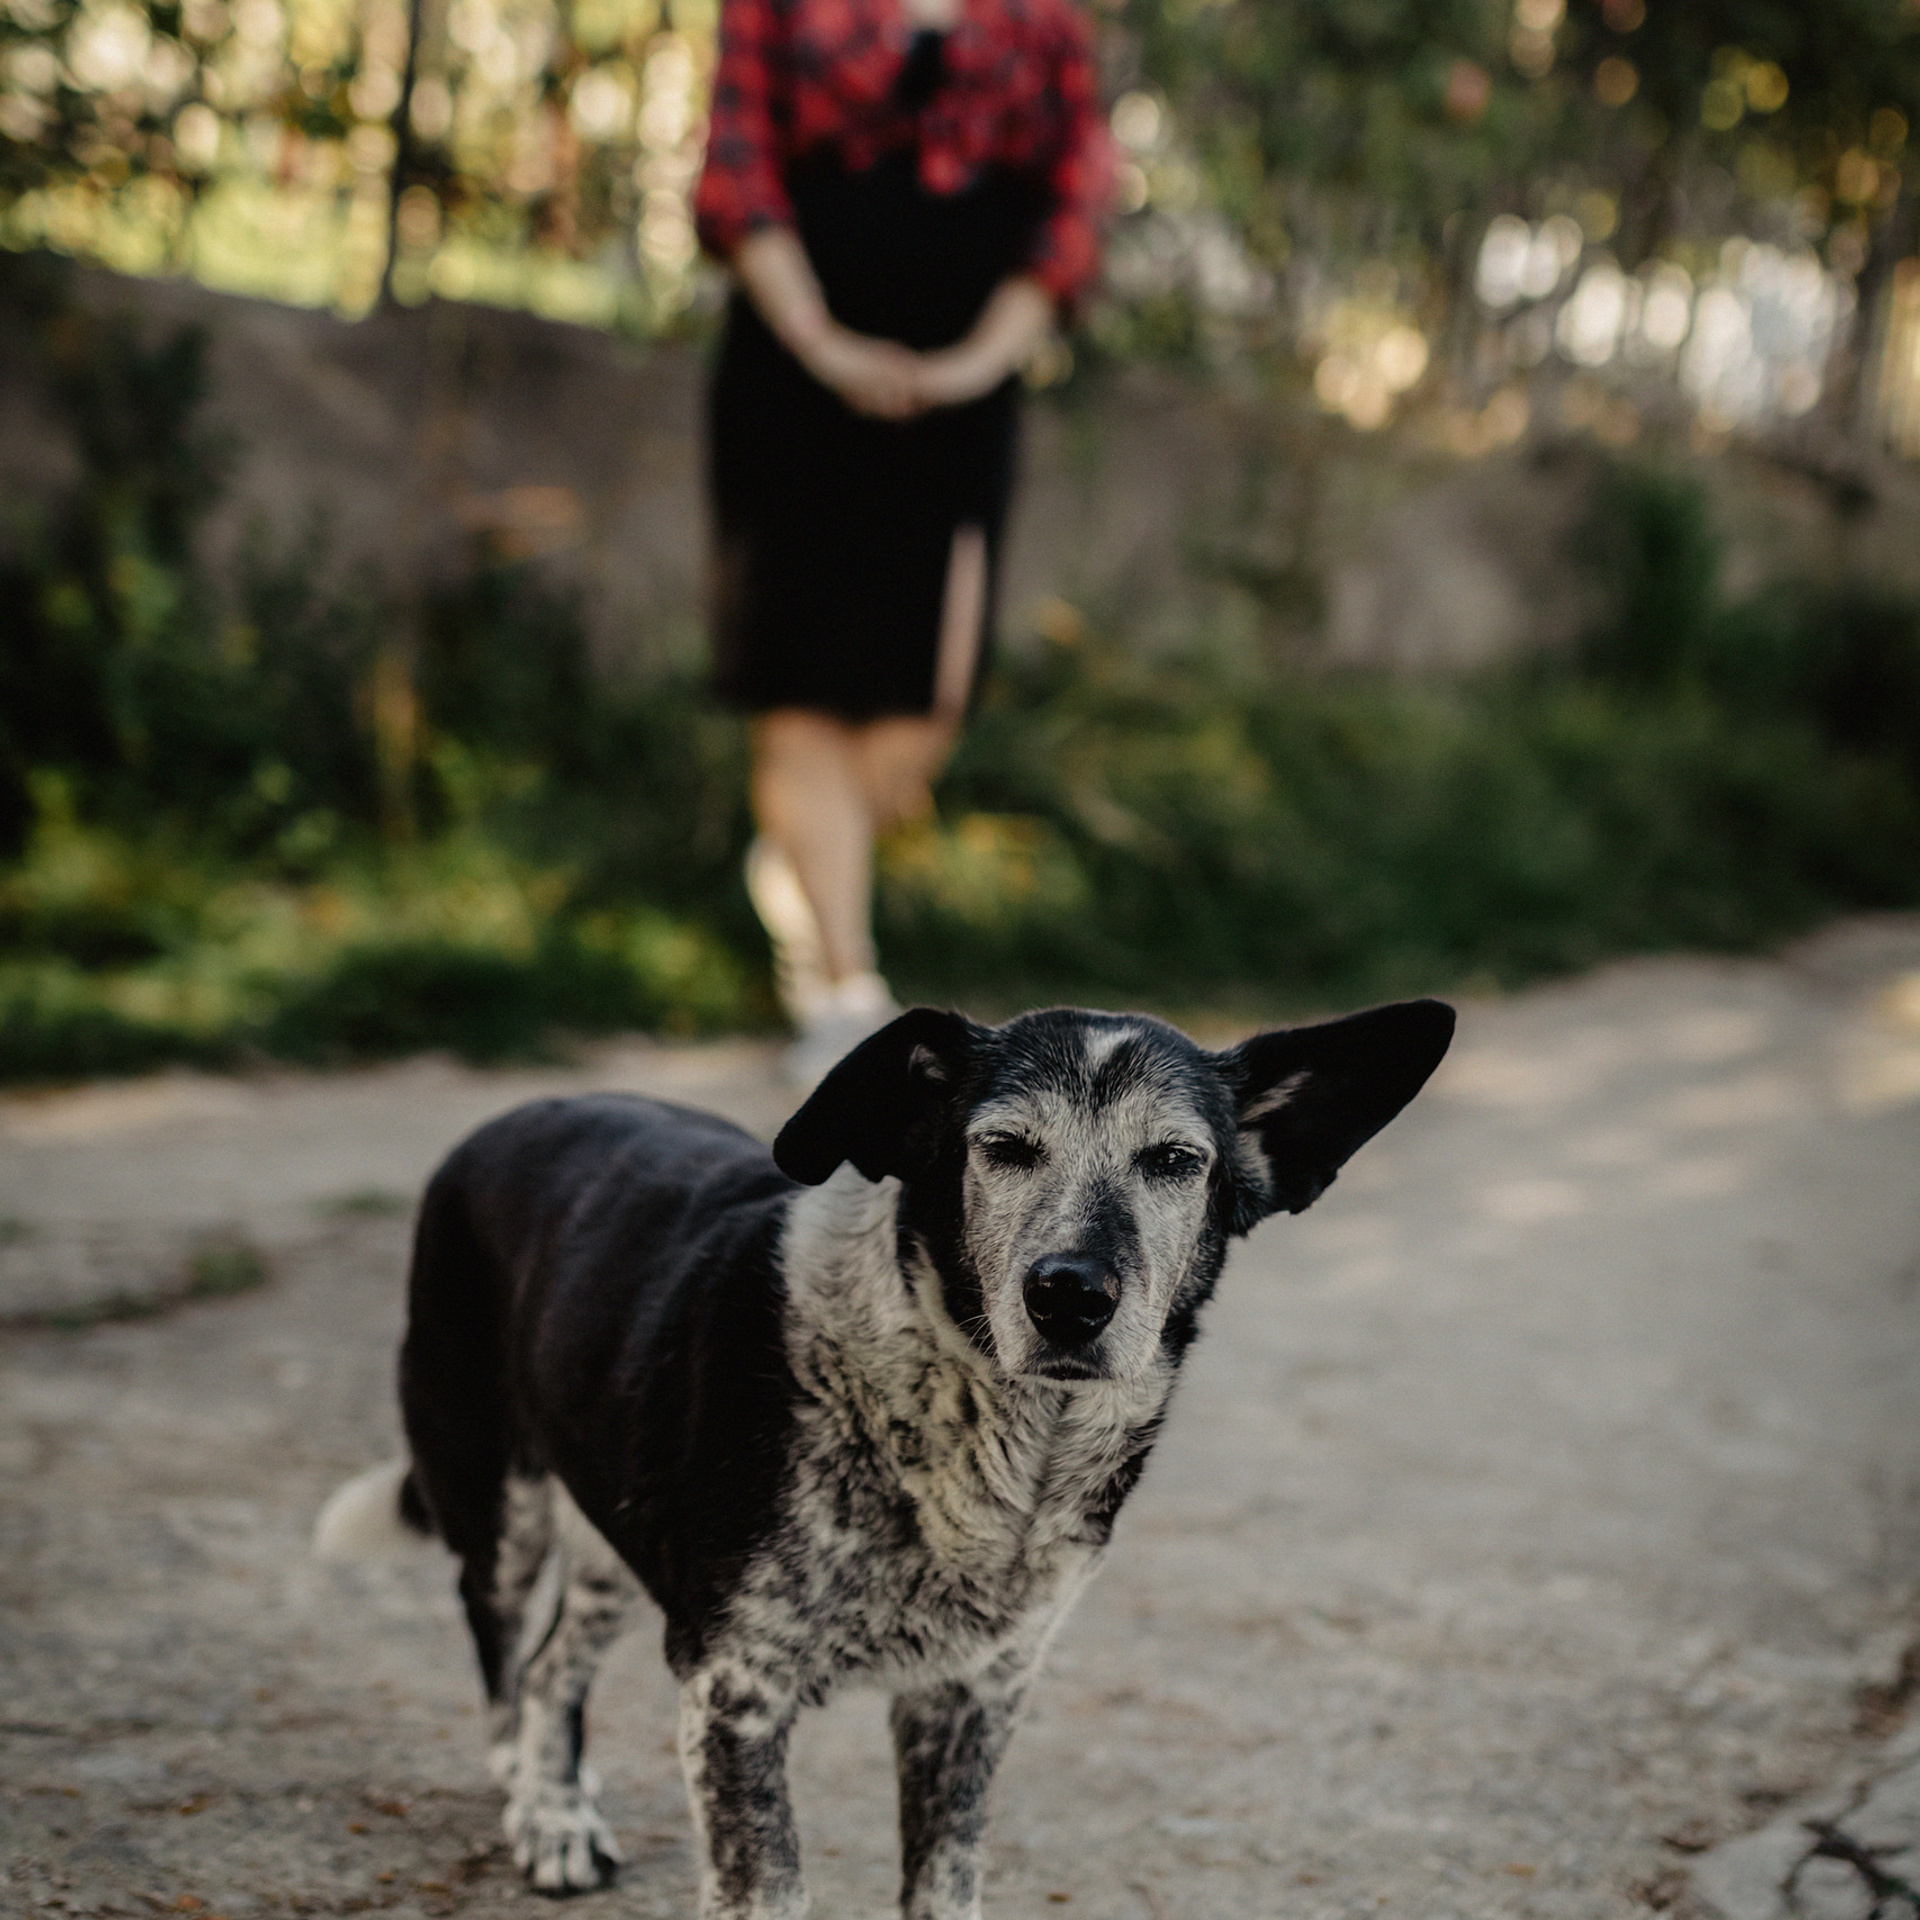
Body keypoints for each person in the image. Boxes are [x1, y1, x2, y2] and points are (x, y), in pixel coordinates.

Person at [693, 0, 1111, 1081]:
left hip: (964, 390)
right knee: (800, 694)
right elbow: (740, 174)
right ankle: (845, 993)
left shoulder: (1047, 20)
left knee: (923, 706)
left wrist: (974, 365)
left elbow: (1071, 206)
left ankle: (801, 860)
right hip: (794, 375)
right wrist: (822, 343)